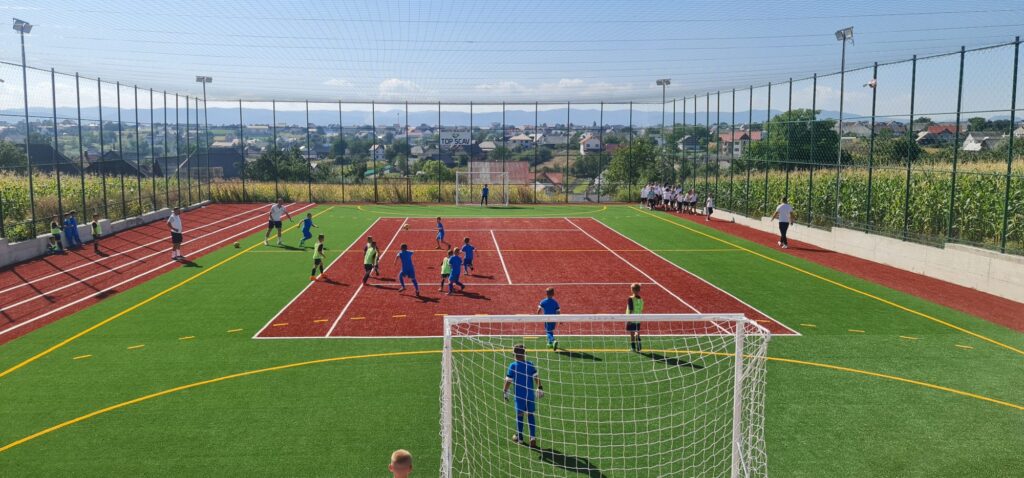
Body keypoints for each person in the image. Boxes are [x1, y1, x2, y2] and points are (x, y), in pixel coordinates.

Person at [503, 344, 542, 448]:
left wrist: (505, 391)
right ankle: (532, 437)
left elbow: (508, 380)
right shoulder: (530, 364)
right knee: (530, 414)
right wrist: (540, 387)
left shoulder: (513, 366)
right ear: (525, 353)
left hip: (519, 396)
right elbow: (536, 377)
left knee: (520, 415)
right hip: (530, 395)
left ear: (514, 354)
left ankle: (519, 438)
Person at [626, 283, 644, 352]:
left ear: (633, 290)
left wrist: (629, 319)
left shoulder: (630, 298)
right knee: (637, 332)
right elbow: (641, 308)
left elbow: (631, 309)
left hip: (632, 318)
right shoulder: (641, 300)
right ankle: (639, 346)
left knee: (632, 333)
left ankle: (633, 348)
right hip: (638, 319)